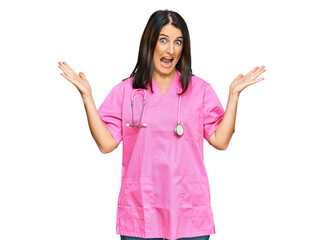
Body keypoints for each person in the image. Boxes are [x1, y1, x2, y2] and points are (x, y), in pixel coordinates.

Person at [58, 9, 266, 240]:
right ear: (150, 43)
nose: (171, 50)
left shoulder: (200, 90)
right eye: (163, 40)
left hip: (187, 210)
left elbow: (221, 140)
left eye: (178, 42)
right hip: (142, 209)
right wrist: (87, 97)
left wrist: (234, 95)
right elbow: (106, 144)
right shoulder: (127, 91)